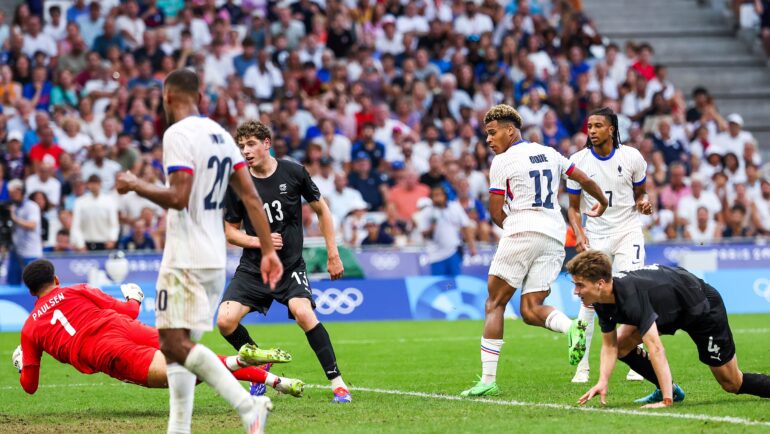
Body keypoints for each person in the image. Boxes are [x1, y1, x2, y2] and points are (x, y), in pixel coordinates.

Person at [115, 69, 284, 434]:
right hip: (213, 256)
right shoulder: (223, 137)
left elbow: (179, 196)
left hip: (185, 255)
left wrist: (135, 184)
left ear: (169, 97)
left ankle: (248, 405)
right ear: (200, 97)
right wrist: (269, 250)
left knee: (172, 342)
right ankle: (179, 428)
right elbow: (251, 198)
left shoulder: (177, 134)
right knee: (180, 348)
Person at [461, 104, 608, 397]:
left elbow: (494, 210)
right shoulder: (550, 153)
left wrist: (514, 227)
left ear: (510, 130)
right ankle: (572, 328)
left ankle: (488, 380)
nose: (489, 140)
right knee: (530, 309)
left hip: (523, 229)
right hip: (554, 234)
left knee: (495, 303)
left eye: (492, 133)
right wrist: (602, 201)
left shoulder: (502, 161)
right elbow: (584, 179)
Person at [13, 259, 303, 399]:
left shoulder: (29, 329)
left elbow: (30, 386)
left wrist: (20, 365)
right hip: (123, 326)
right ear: (56, 278)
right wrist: (135, 298)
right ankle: (277, 381)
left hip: (102, 349)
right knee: (194, 358)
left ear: (30, 292)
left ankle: (240, 360)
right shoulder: (77, 289)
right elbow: (128, 310)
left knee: (183, 374)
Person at [216, 120, 352, 404]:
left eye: (251, 144)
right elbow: (230, 232)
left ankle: (338, 384)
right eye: (242, 146)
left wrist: (333, 253)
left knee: (303, 313)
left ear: (267, 144)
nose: (246, 151)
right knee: (225, 321)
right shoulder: (238, 182)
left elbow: (322, 211)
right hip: (254, 268)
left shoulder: (293, 172)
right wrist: (259, 241)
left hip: (289, 267)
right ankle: (259, 362)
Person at [568, 251, 770, 407]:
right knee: (621, 345)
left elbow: (656, 348)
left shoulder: (631, 298)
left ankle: (668, 393)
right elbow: (609, 346)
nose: (576, 291)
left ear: (600, 284)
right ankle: (670, 389)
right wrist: (603, 381)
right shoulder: (601, 300)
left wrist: (666, 402)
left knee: (732, 383)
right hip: (669, 307)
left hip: (700, 306)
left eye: (579, 285)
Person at [566, 107, 653, 384]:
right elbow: (571, 207)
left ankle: (635, 361)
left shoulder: (632, 157)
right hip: (597, 236)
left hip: (628, 230)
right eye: (589, 126)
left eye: (597, 126)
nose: (591, 131)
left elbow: (641, 193)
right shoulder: (578, 161)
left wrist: (644, 203)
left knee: (633, 292)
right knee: (589, 298)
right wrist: (578, 232)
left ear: (611, 129)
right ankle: (581, 367)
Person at [6, 179, 43, 285]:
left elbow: (32, 225)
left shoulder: (32, 206)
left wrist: (14, 218)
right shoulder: (12, 207)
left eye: (15, 193)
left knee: (35, 284)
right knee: (12, 284)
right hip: (16, 252)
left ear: (21, 191)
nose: (12, 196)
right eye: (10, 193)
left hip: (31, 253)